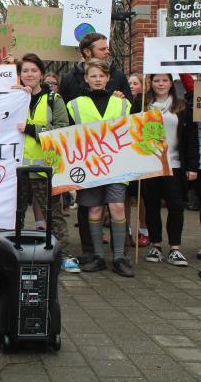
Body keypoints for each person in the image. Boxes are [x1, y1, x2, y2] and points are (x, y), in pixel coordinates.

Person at [58, 33, 132, 266]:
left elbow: (133, 131)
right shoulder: (74, 105)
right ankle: (98, 256)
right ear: (86, 79)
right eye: (93, 76)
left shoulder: (123, 103)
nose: (98, 79)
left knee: (118, 207)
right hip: (88, 166)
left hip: (117, 166)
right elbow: (66, 134)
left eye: (102, 76)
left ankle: (119, 257)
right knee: (94, 211)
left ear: (109, 78)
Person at [15, 54, 79, 273]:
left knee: (54, 214)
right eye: (25, 71)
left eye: (33, 70)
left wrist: (32, 130)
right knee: (15, 214)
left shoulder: (53, 99)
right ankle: (15, 253)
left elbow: (62, 130)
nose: (29, 75)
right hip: (17, 169)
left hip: (45, 169)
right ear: (19, 75)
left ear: (41, 74)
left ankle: (66, 256)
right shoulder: (13, 98)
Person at [142, 74, 198, 267]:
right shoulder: (142, 104)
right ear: (151, 83)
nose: (161, 84)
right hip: (150, 165)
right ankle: (155, 246)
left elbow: (191, 137)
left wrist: (192, 166)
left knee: (176, 205)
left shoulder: (181, 106)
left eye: (164, 80)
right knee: (151, 206)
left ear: (171, 83)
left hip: (174, 164)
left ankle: (175, 248)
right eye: (157, 80)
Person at [126, 72, 149, 247]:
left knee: (142, 196)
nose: (132, 86)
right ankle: (126, 231)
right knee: (125, 196)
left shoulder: (147, 103)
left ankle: (143, 230)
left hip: (142, 154)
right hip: (126, 153)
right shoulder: (125, 102)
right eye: (130, 83)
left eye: (135, 83)